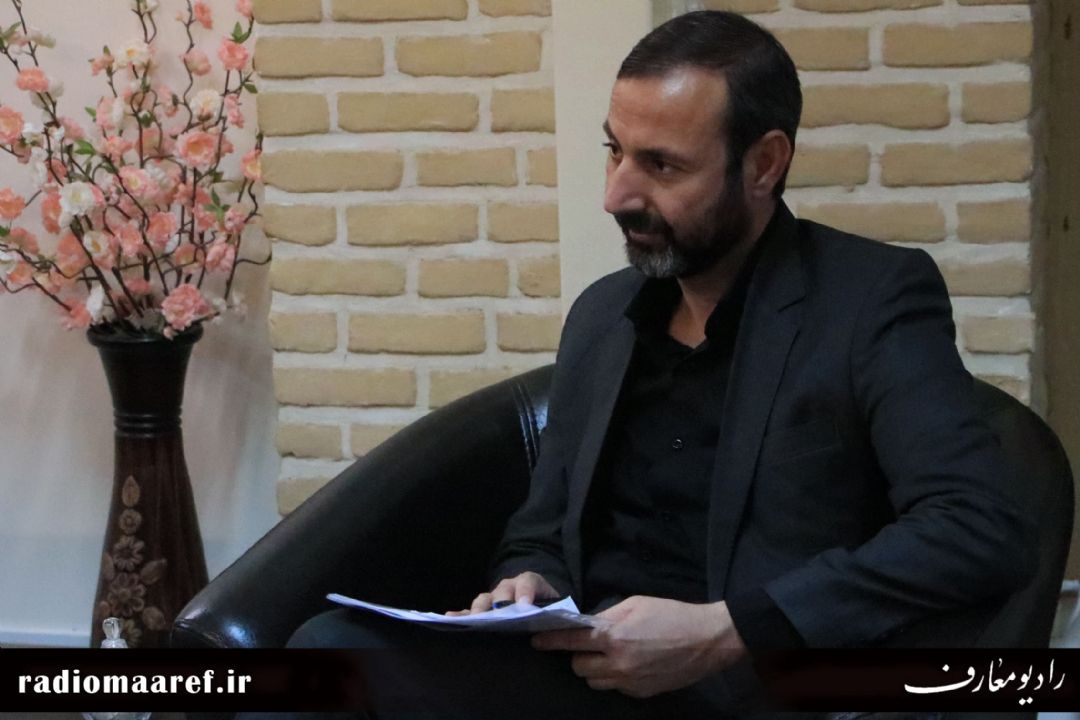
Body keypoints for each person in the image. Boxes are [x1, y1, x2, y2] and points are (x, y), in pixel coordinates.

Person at [252, 10, 1034, 718]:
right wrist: (530, 583)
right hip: (587, 675)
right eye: (615, 151)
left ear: (763, 165)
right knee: (322, 653)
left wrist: (727, 630)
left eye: (661, 166)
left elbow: (977, 527)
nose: (616, 195)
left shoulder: (870, 299)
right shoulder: (605, 316)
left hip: (746, 687)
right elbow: (541, 529)